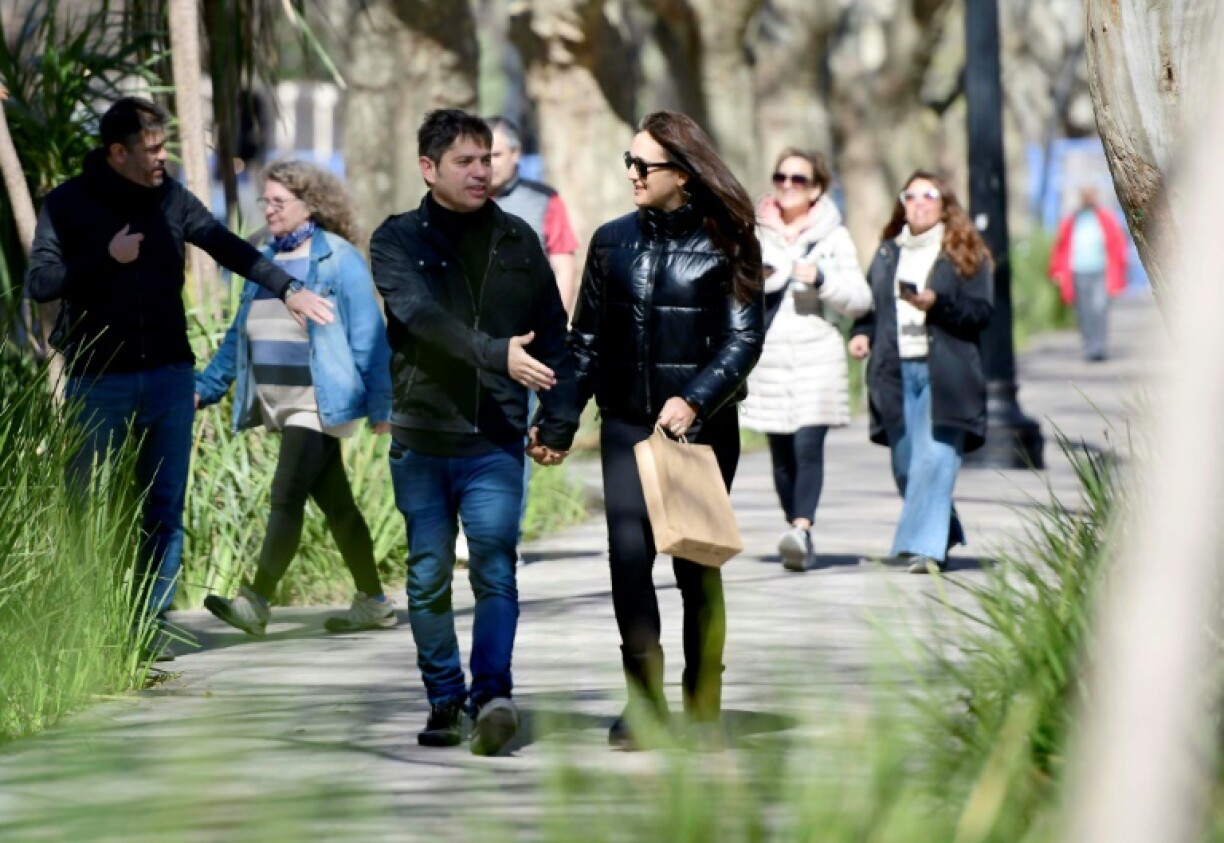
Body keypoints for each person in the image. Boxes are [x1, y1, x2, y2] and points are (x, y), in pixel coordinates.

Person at [24, 97, 333, 647]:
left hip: (169, 378)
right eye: (153, 149)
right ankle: (82, 629)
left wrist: (287, 287)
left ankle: (147, 629)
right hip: (99, 382)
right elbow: (41, 282)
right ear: (118, 152)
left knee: (162, 507)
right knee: (85, 507)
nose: (163, 157)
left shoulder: (171, 199)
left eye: (165, 146)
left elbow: (224, 243)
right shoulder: (68, 204)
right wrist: (105, 255)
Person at [369, 109, 578, 756]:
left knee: (495, 567)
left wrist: (559, 418)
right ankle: (443, 698)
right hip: (423, 438)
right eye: (465, 161)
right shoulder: (397, 240)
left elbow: (556, 334)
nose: (481, 171)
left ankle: (492, 695)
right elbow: (422, 317)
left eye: (486, 159)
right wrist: (497, 355)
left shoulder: (518, 239)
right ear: (428, 168)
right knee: (429, 573)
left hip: (495, 438)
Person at [555, 111, 763, 748]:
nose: (633, 174)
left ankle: (703, 705)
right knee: (627, 562)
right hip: (624, 426)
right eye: (629, 160)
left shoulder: (729, 242)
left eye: (645, 165)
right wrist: (560, 419)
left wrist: (696, 402)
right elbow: (584, 341)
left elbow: (743, 340)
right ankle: (643, 704)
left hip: (698, 435)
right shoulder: (611, 240)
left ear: (685, 173)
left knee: (696, 567)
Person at [194, 160, 396, 636]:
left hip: (319, 400)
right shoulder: (264, 259)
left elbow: (369, 335)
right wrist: (204, 389)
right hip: (280, 403)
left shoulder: (338, 258)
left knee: (286, 495)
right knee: (338, 505)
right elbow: (236, 337)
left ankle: (256, 601)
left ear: (311, 205)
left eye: (279, 202)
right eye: (265, 201)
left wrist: (382, 406)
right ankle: (374, 602)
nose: (269, 210)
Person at [848, 170, 993, 574]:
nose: (919, 203)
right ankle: (941, 530)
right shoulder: (887, 252)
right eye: (910, 196)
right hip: (893, 373)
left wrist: (939, 304)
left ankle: (927, 549)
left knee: (936, 458)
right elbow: (870, 308)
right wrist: (861, 334)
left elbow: (982, 313)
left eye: (929, 195)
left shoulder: (966, 252)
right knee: (907, 466)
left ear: (945, 204)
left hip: (945, 372)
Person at [740, 148, 871, 572]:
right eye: (781, 177)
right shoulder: (755, 232)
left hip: (818, 351)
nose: (787, 186)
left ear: (816, 189)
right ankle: (796, 529)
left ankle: (801, 525)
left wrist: (824, 280)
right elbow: (733, 287)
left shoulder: (834, 237)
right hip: (771, 356)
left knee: (807, 444)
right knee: (780, 453)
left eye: (798, 179)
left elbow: (860, 298)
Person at [487, 116, 579, 317]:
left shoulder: (544, 200)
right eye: (482, 157)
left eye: (496, 155)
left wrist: (556, 325)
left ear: (515, 153)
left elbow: (563, 268)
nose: (489, 164)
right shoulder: (458, 201)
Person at [1048, 184, 1128, 362]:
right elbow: (1060, 246)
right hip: (1078, 270)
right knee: (1083, 311)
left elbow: (1117, 244)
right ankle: (1089, 346)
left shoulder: (1105, 218)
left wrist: (1120, 269)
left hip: (1100, 269)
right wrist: (1057, 271)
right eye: (1085, 196)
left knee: (1099, 308)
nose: (1088, 199)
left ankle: (1099, 347)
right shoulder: (1072, 220)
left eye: (1091, 195)